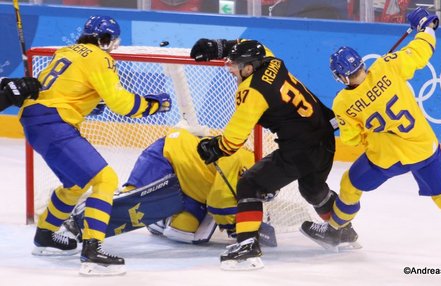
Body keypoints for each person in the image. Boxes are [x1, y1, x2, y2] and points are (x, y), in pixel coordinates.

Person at [301, 7, 441, 262]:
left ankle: (335, 230)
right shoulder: (387, 66)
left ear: (340, 76)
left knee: (350, 184)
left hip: (387, 158)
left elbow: (351, 139)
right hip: (423, 147)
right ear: (361, 62)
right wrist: (428, 27)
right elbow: (421, 52)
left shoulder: (343, 103)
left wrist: (360, 129)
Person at [19, 15, 171, 276]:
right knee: (106, 180)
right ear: (104, 40)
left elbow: (66, 90)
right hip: (54, 122)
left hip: (35, 120)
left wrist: (88, 103)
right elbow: (122, 104)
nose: (113, 48)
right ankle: (93, 252)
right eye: (112, 43)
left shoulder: (67, 51)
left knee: (75, 185)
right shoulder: (100, 57)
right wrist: (154, 105)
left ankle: (44, 236)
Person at [190, 38, 359, 270]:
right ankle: (342, 231)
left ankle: (247, 247)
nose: (230, 69)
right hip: (325, 136)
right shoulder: (272, 61)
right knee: (311, 188)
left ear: (249, 68)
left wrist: (212, 147)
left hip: (301, 149)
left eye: (235, 64)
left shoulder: (252, 92)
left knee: (250, 184)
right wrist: (220, 47)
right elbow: (252, 43)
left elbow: (231, 142)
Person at [63, 127, 272, 246]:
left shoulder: (253, 170)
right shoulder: (245, 160)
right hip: (168, 156)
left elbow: (221, 200)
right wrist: (238, 228)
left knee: (185, 233)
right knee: (131, 200)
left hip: (192, 189)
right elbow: (219, 201)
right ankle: (77, 219)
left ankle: (158, 216)